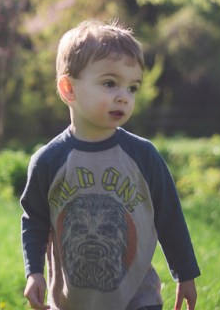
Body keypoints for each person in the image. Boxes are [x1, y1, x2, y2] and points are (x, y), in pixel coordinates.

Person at [20, 19, 200, 310]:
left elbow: (170, 217)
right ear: (69, 89)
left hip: (139, 299)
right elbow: (35, 222)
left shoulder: (144, 156)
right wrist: (34, 272)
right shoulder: (49, 161)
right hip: (71, 302)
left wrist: (186, 274)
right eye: (109, 83)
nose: (123, 97)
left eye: (132, 88)